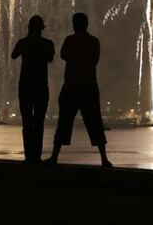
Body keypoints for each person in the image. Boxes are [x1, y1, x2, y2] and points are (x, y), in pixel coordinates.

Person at [47, 13, 112, 167]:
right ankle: (104, 159)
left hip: (71, 86)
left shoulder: (70, 40)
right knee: (95, 122)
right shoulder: (94, 41)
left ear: (75, 24)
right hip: (89, 86)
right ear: (87, 24)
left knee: (64, 122)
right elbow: (94, 60)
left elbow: (63, 55)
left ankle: (54, 157)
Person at [11, 16, 55, 163]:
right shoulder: (48, 44)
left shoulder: (23, 43)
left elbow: (13, 55)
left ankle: (29, 156)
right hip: (41, 86)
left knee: (27, 122)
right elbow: (50, 58)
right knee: (39, 122)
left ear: (29, 27)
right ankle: (36, 156)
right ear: (42, 28)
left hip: (25, 86)